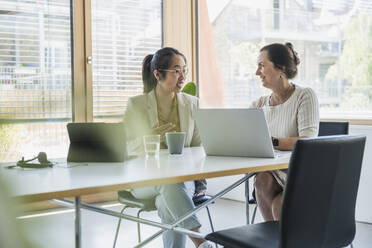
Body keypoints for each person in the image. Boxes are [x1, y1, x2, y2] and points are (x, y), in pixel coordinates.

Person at [123, 47, 213, 248]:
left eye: (184, 70)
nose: (182, 77)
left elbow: (199, 146)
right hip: (143, 179)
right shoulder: (136, 105)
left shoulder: (192, 104)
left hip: (181, 179)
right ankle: (201, 242)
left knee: (167, 200)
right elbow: (126, 148)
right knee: (168, 183)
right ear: (157, 74)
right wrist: (149, 137)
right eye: (176, 71)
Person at [251, 42, 319, 221]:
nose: (257, 72)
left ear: (280, 68)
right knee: (261, 181)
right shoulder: (258, 104)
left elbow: (308, 141)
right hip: (271, 172)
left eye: (262, 65)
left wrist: (271, 141)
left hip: (301, 174)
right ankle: (273, 239)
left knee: (279, 205)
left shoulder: (304, 96)